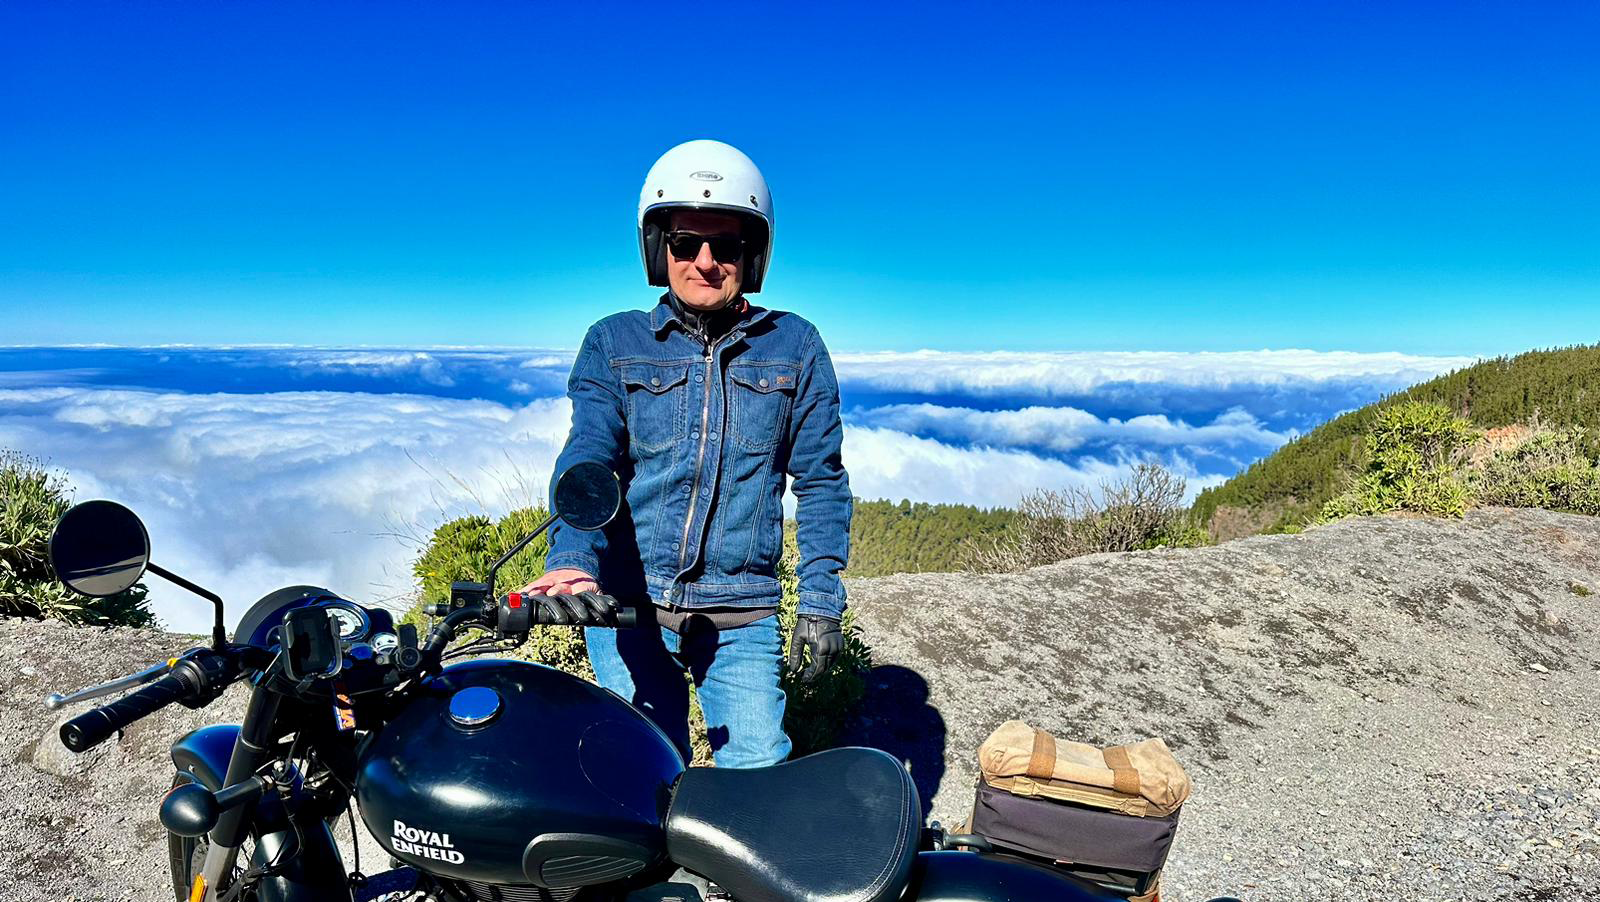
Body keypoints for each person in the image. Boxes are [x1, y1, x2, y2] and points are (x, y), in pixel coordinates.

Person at [521, 139, 851, 768]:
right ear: (658, 249)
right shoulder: (613, 342)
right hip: (628, 607)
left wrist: (819, 602)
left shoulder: (797, 345)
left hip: (740, 611)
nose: (704, 261)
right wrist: (572, 562)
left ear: (751, 257)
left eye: (724, 246)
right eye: (684, 243)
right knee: (639, 777)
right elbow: (589, 459)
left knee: (758, 773)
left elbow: (821, 481)